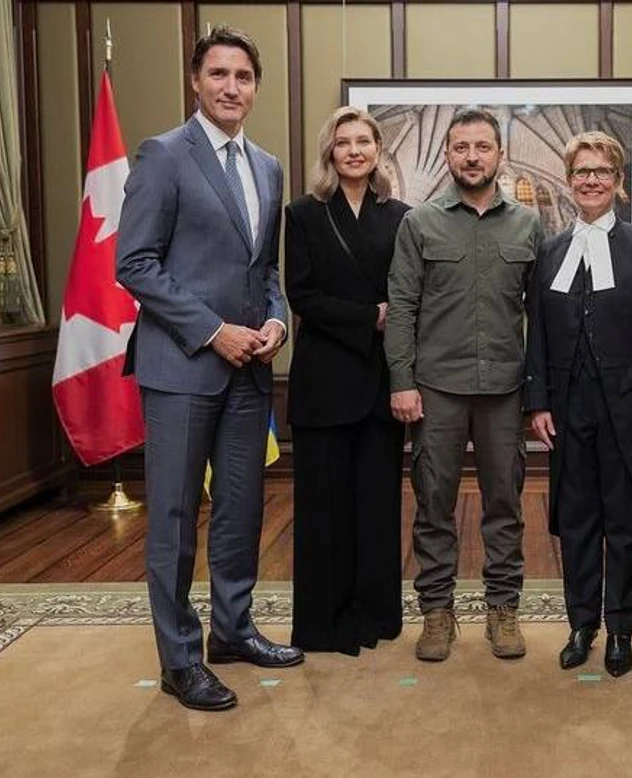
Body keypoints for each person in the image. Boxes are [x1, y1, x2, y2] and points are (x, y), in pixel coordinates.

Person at [116, 25, 302, 712]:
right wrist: (212, 331)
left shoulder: (268, 167)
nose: (231, 87)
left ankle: (233, 630)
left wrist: (277, 320)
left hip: (251, 370)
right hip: (181, 369)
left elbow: (266, 270)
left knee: (241, 510)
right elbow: (134, 263)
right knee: (173, 518)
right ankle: (179, 661)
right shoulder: (164, 154)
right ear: (196, 81)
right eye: (218, 74)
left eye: (243, 76)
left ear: (256, 87)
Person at [386, 108, 545, 662]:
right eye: (461, 147)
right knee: (434, 504)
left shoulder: (528, 225)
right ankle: (437, 612)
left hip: (505, 389)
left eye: (482, 147)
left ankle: (503, 610)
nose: (472, 157)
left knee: (506, 505)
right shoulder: (420, 224)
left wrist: (539, 392)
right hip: (436, 389)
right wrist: (402, 382)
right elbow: (401, 307)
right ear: (448, 155)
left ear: (500, 154)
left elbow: (542, 316)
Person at [524, 131, 632, 677]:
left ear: (619, 182)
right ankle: (581, 623)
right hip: (568, 406)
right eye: (582, 172)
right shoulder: (550, 250)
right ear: (569, 181)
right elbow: (537, 332)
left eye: (602, 172)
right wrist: (538, 401)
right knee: (578, 519)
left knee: (623, 522)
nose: (591, 181)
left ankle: (620, 629)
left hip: (628, 408)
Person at [284, 107, 411, 656]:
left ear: (378, 150)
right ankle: (322, 624)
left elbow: (409, 292)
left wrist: (391, 323)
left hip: (382, 381)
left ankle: (376, 616)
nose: (354, 151)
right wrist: (369, 317)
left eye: (364, 141)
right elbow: (301, 295)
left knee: (377, 508)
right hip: (324, 381)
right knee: (323, 512)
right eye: (343, 142)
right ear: (329, 152)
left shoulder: (401, 217)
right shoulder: (303, 214)